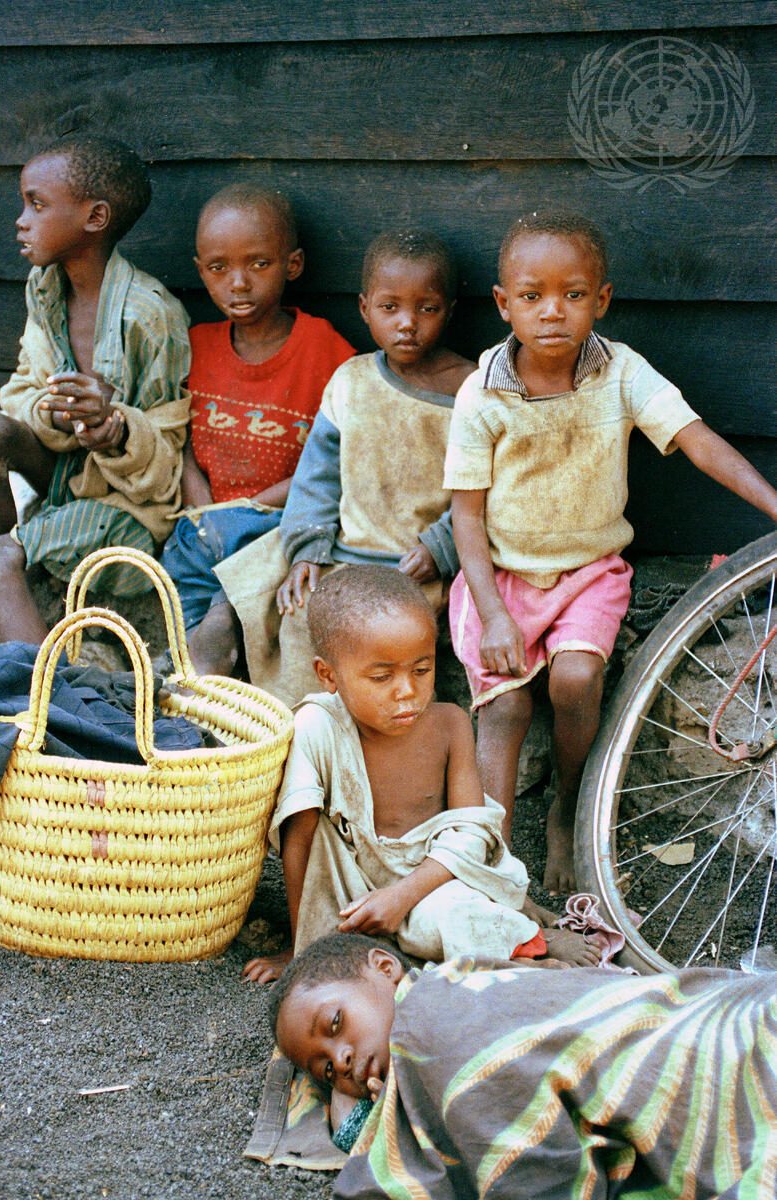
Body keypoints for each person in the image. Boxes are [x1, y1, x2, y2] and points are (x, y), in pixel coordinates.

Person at [446, 211, 777, 894]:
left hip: (590, 573)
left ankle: (569, 807)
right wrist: (495, 615)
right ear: (504, 303)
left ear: (601, 300)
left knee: (573, 680)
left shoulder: (620, 372)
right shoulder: (482, 394)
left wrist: (774, 505)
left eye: (573, 295)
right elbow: (466, 517)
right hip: (501, 578)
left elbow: (697, 440)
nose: (552, 313)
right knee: (503, 709)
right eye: (532, 296)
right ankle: (495, 858)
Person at [242, 566, 599, 984]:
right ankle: (511, 928)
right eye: (381, 676)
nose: (407, 690)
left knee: (453, 915)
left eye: (422, 670)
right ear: (328, 675)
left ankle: (529, 944)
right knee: (348, 934)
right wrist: (303, 947)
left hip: (434, 882)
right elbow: (299, 839)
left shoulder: (449, 724)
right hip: (352, 888)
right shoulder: (315, 727)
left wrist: (401, 896)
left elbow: (472, 833)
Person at [271, 931, 777, 1198]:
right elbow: (356, 1133)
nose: (340, 1059)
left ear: (386, 969)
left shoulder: (437, 1017)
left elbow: (531, 1162)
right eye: (326, 1072)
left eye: (335, 1023)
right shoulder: (412, 1066)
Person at [211, 230, 474, 706]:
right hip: (339, 557)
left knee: (384, 643)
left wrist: (440, 547)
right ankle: (291, 729)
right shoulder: (351, 381)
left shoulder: (469, 391)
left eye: (427, 308)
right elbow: (317, 476)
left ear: (450, 310)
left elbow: (485, 490)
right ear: (363, 307)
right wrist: (307, 550)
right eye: (390, 307)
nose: (408, 324)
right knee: (294, 611)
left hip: (412, 569)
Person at [0, 134, 191, 649]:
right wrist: (54, 413)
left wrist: (115, 428)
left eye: (36, 205)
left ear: (95, 218)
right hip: (64, 475)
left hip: (127, 513)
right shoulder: (44, 288)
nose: (21, 219)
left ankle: (45, 690)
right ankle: (6, 593)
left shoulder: (151, 316)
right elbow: (20, 390)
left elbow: (168, 461)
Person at [160, 184, 354, 675]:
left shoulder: (324, 350)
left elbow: (336, 458)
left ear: (292, 265)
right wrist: (204, 508)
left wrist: (245, 510)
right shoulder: (195, 346)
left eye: (258, 264)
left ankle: (223, 639)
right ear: (201, 271)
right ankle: (195, 663)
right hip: (201, 523)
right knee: (183, 569)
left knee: (250, 582)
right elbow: (178, 440)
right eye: (219, 268)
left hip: (279, 523)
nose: (238, 283)